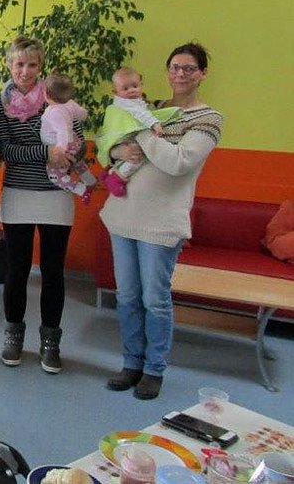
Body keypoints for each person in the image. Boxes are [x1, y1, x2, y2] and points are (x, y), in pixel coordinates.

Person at [102, 43, 222, 400]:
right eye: (175, 67)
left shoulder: (207, 118)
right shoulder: (147, 106)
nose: (180, 74)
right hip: (123, 216)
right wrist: (118, 149)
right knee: (127, 296)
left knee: (155, 299)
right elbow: (108, 145)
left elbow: (179, 163)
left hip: (161, 223)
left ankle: (154, 369)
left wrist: (139, 131)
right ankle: (131, 363)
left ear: (202, 74)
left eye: (189, 68)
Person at [0, 36, 81, 374]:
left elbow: (78, 140)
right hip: (18, 194)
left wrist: (72, 153)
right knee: (17, 269)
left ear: (41, 66)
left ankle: (50, 342)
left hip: (57, 195)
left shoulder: (56, 95)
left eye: (32, 64)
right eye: (19, 64)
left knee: (53, 271)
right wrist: (47, 153)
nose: (25, 71)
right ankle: (13, 336)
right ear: (9, 65)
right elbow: (6, 150)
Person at [96, 67, 180, 197]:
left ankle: (109, 171)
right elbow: (141, 113)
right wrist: (154, 123)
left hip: (122, 137)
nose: (131, 90)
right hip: (124, 136)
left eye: (135, 86)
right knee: (137, 156)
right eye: (125, 88)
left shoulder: (136, 101)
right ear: (115, 92)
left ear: (141, 85)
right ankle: (117, 177)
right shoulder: (127, 103)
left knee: (133, 153)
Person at [39, 73, 97, 202]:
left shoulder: (54, 112)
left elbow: (62, 132)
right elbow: (83, 114)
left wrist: (60, 149)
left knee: (56, 177)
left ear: (47, 94)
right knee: (78, 164)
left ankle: (82, 190)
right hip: (74, 142)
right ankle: (90, 181)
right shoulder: (70, 103)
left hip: (62, 145)